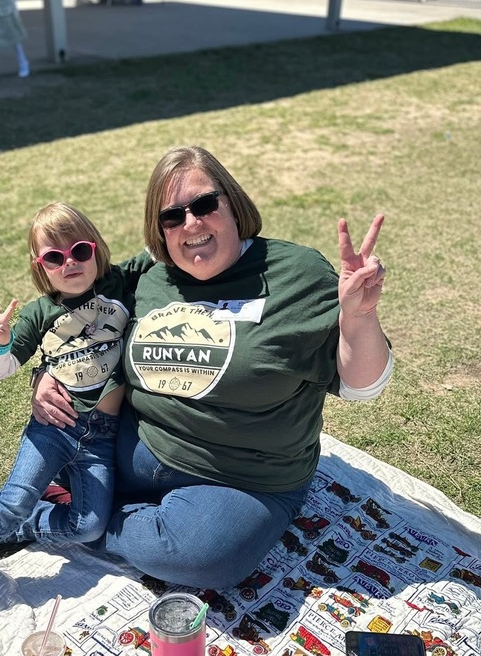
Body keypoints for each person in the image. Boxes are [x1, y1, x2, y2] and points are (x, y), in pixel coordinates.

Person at [30, 146, 394, 590]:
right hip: (138, 444)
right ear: (159, 232)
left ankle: (68, 521)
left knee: (203, 559)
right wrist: (44, 373)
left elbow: (363, 386)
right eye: (172, 217)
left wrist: (358, 316)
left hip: (241, 478)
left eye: (204, 205)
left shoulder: (297, 274)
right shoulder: (149, 277)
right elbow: (78, 316)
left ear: (233, 204)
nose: (191, 224)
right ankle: (94, 509)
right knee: (53, 448)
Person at [0, 202, 136, 638]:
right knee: (12, 498)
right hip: (53, 429)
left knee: (88, 526)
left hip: (102, 436)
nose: (70, 263)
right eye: (54, 258)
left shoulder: (121, 283)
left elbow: (162, 250)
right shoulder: (40, 313)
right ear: (41, 267)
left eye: (80, 250)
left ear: (97, 249)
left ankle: (25, 524)